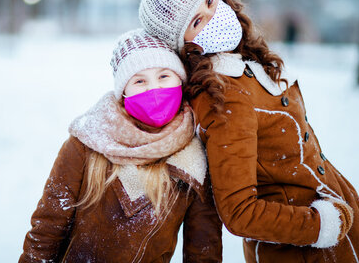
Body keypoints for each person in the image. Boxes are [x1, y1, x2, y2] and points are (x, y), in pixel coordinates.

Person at [138, 0, 359, 263]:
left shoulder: (249, 62)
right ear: (185, 44)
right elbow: (239, 212)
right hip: (301, 251)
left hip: (337, 239)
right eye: (197, 21)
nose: (213, 16)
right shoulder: (222, 96)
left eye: (210, 2)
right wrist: (320, 225)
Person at [18, 29, 222, 263]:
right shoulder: (88, 141)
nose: (153, 89)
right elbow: (46, 230)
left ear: (180, 80)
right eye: (139, 80)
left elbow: (204, 253)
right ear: (124, 91)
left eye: (164, 76)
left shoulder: (195, 160)